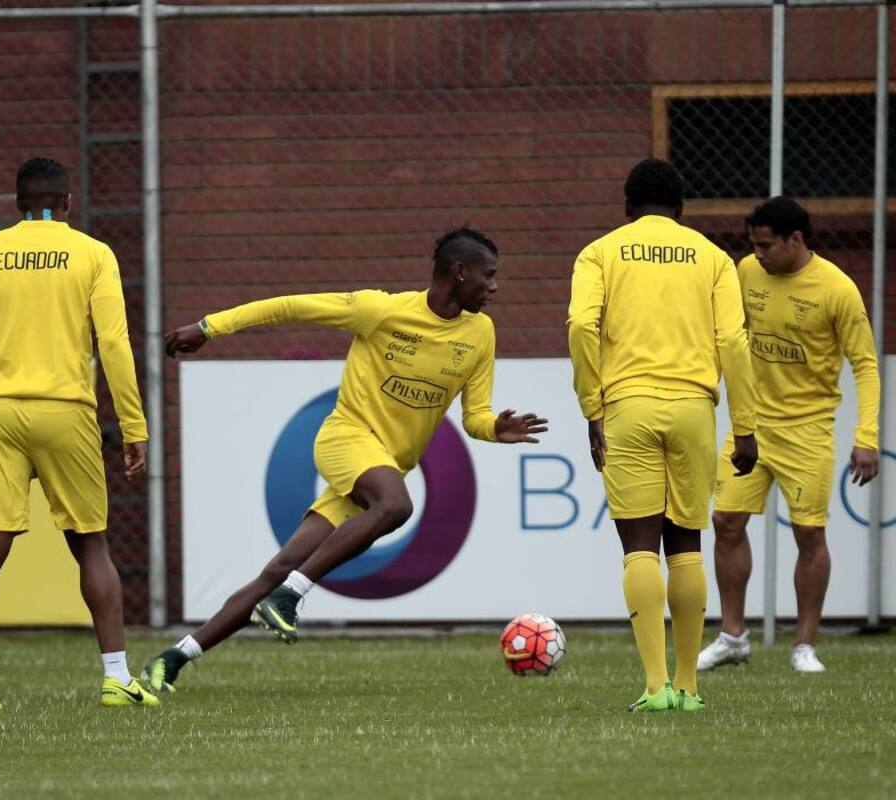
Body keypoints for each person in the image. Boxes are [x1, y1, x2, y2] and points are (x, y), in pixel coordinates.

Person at [140, 226, 548, 694]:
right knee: (396, 507)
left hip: (380, 467)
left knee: (278, 568)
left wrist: (495, 428)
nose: (495, 287)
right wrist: (210, 327)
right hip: (345, 440)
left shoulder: (480, 333)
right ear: (459, 273)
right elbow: (290, 307)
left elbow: (474, 415)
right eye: (489, 276)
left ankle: (173, 658)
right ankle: (291, 596)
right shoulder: (381, 310)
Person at [0, 157, 156, 712]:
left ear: (17, 206)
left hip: (0, 412)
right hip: (66, 410)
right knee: (92, 545)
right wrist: (133, 424)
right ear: (68, 203)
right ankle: (115, 678)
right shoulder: (93, 254)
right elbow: (115, 344)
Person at [566, 158, 759, 712]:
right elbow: (735, 344)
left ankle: (655, 688)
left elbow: (581, 326)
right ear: (680, 209)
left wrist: (592, 407)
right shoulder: (714, 258)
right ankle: (690, 689)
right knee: (687, 546)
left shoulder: (600, 252)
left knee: (639, 547)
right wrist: (744, 426)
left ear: (627, 208)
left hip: (628, 406)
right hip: (696, 409)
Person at [698, 197, 880, 674]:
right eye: (752, 245)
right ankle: (733, 636)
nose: (757, 254)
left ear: (795, 240)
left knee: (809, 533)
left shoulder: (837, 288)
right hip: (751, 427)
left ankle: (804, 645)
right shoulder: (745, 272)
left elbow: (865, 364)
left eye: (765, 245)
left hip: (808, 430)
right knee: (727, 522)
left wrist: (867, 435)